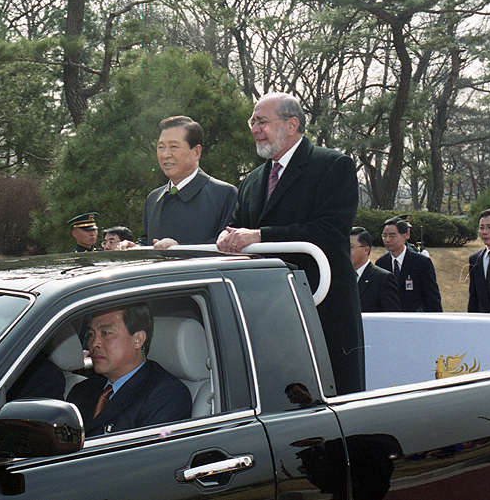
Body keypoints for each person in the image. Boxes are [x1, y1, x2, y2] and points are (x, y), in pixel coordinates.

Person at [216, 92, 364, 395]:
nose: (255, 128)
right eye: (252, 121)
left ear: (292, 124)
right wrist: (225, 237)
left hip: (320, 308)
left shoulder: (333, 165)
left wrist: (261, 236)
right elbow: (237, 226)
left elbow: (329, 231)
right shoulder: (253, 180)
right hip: (267, 312)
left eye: (262, 121)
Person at [66, 304, 191, 437]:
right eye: (91, 334)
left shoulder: (167, 395)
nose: (94, 343)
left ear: (138, 340)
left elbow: (147, 456)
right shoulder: (82, 390)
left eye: (106, 333)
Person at [126, 116, 237, 250]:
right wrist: (132, 247)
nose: (165, 154)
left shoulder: (223, 194)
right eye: (161, 147)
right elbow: (148, 240)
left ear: (196, 152)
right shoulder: (154, 198)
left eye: (173, 147)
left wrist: (180, 248)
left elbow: (229, 247)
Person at [375, 218, 442, 312]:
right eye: (384, 236)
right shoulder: (381, 263)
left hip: (415, 320)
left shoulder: (421, 263)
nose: (387, 240)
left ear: (405, 236)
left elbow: (432, 298)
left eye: (392, 236)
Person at [350, 227, 401, 313]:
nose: (346, 251)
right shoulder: (341, 278)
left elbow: (392, 317)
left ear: (366, 250)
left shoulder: (383, 279)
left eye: (351, 247)